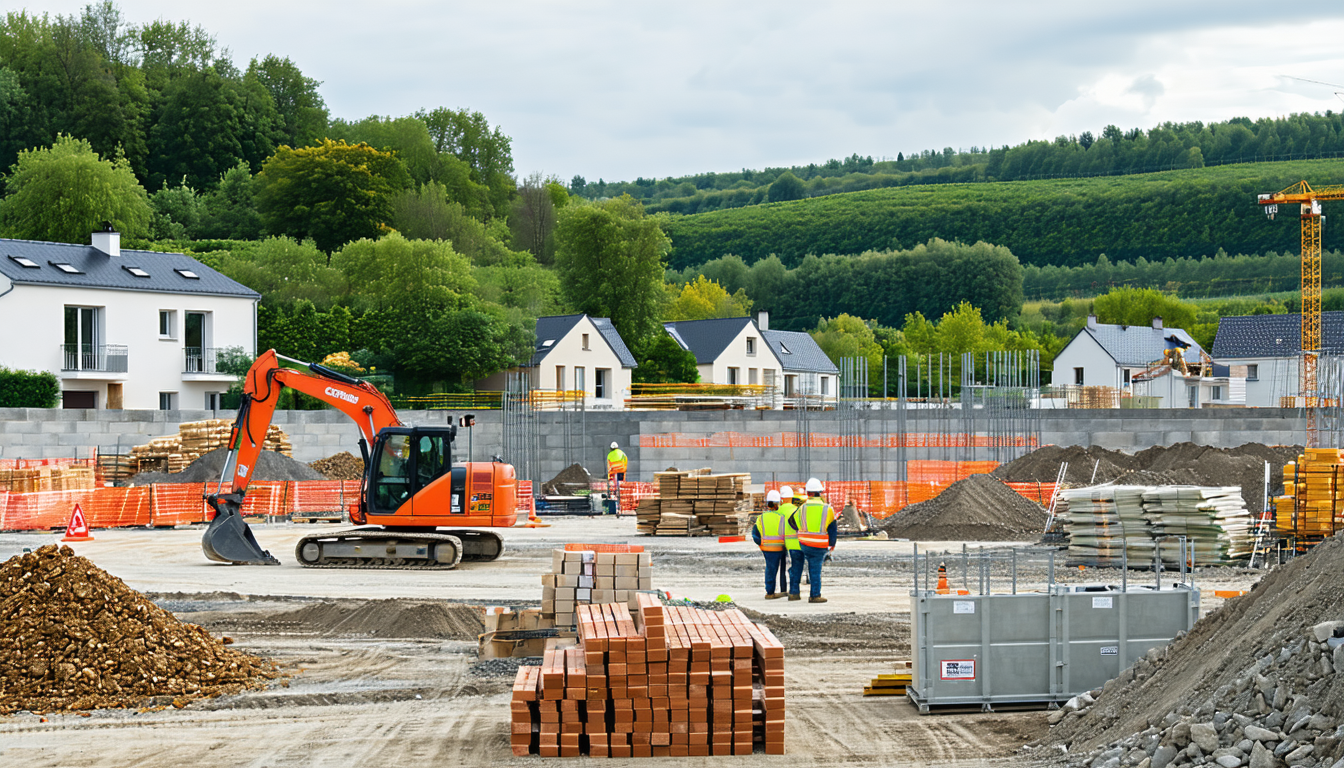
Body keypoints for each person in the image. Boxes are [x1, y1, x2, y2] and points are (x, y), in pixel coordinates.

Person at [786, 477, 837, 603]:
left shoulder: (802, 508)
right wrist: (832, 544)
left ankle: (794, 593)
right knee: (815, 570)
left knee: (796, 567)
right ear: (820, 493)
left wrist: (801, 529)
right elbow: (832, 528)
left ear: (808, 493)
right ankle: (814, 595)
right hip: (819, 544)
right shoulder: (827, 509)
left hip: (803, 543)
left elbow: (791, 521)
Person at [751, 490, 787, 598]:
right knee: (782, 569)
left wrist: (761, 544)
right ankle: (783, 589)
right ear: (778, 504)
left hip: (767, 548)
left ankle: (770, 591)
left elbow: (755, 534)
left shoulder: (761, 518)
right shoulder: (782, 517)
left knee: (770, 569)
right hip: (780, 547)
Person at [606, 442, 628, 514]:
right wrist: (624, 468)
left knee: (613, 487)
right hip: (621, 470)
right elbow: (626, 460)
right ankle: (621, 498)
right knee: (621, 486)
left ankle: (614, 497)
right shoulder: (622, 453)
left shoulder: (609, 455)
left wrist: (609, 475)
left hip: (613, 471)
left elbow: (609, 465)